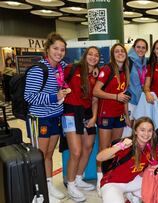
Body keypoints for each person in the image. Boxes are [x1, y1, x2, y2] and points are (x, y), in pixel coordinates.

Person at [24, 32, 70, 200]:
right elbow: (29, 96)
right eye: (55, 48)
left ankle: (48, 185)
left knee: (49, 154)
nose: (59, 52)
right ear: (47, 49)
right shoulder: (38, 70)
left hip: (55, 116)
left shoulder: (62, 68)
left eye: (62, 49)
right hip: (39, 118)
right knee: (39, 155)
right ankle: (37, 189)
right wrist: (54, 97)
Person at [62, 46, 100, 201]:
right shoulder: (71, 69)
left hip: (88, 114)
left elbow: (95, 99)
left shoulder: (96, 75)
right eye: (90, 54)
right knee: (76, 151)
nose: (93, 57)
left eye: (96, 55)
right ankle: (71, 185)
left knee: (88, 147)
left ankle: (78, 178)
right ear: (85, 56)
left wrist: (94, 117)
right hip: (71, 113)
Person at [93, 43, 131, 194]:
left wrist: (127, 117)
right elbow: (96, 91)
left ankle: (110, 177)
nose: (120, 53)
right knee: (104, 148)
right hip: (106, 115)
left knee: (116, 148)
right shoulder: (107, 69)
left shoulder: (125, 71)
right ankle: (99, 179)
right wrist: (115, 97)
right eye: (117, 51)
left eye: (122, 51)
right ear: (112, 55)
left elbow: (125, 98)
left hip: (119, 115)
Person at [96, 117, 158, 203]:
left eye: (150, 130)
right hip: (113, 183)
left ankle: (133, 196)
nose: (146, 134)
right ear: (135, 131)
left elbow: (149, 168)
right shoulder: (126, 144)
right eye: (142, 130)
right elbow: (99, 157)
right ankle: (129, 196)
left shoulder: (152, 148)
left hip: (133, 182)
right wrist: (120, 146)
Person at [127, 39, 148, 126]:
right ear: (133, 47)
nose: (140, 49)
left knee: (139, 128)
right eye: (138, 47)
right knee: (128, 131)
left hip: (142, 100)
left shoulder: (146, 62)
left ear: (146, 50)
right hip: (130, 101)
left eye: (143, 48)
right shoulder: (128, 61)